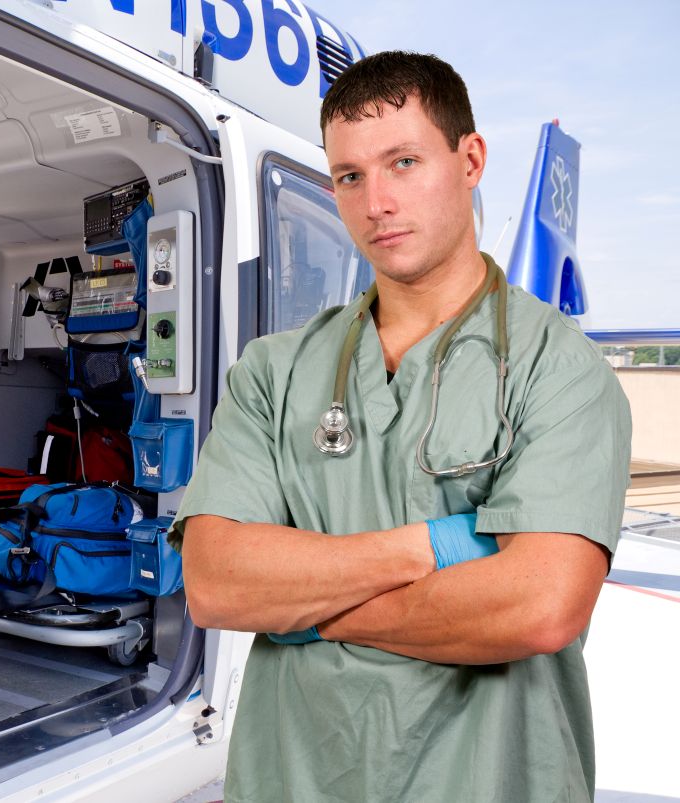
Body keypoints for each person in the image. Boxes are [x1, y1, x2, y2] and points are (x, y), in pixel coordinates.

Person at [171, 51, 632, 802]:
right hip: (293, 777)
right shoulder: (273, 370)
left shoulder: (560, 366)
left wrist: (306, 611)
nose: (375, 201)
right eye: (350, 176)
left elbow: (540, 604)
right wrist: (444, 543)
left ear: (470, 158)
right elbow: (218, 583)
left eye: (404, 161)